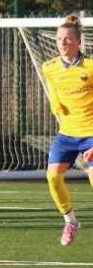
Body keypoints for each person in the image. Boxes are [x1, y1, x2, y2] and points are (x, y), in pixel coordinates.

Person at [42, 14, 93, 246]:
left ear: (79, 42)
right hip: (67, 134)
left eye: (67, 39)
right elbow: (54, 95)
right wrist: (57, 108)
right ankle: (70, 221)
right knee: (53, 177)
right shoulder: (49, 68)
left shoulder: (90, 68)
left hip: (91, 134)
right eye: (59, 39)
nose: (62, 43)